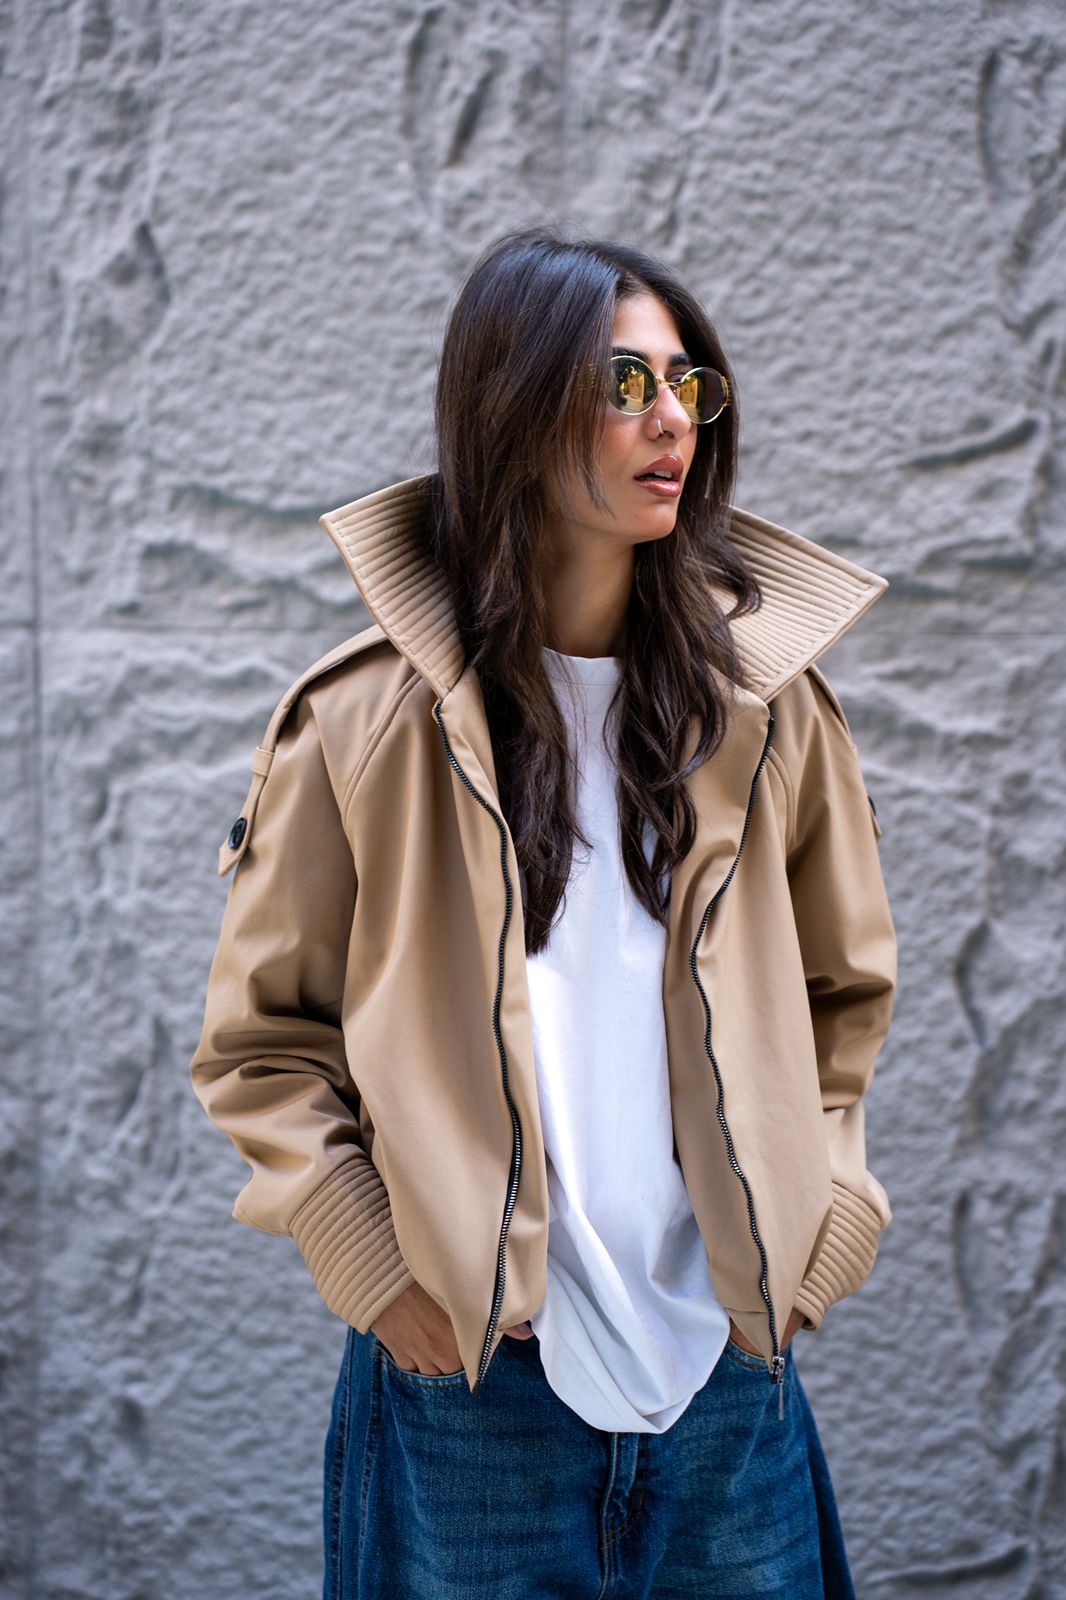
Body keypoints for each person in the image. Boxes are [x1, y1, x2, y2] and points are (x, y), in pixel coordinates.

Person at [189, 224, 897, 1598]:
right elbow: (262, 1042)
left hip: (728, 1385)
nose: (671, 419)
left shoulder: (772, 713)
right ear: (513, 407)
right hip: (468, 1396)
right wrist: (376, 1269)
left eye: (688, 384)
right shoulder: (361, 726)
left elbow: (843, 1002)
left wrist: (823, 1233)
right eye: (625, 383)